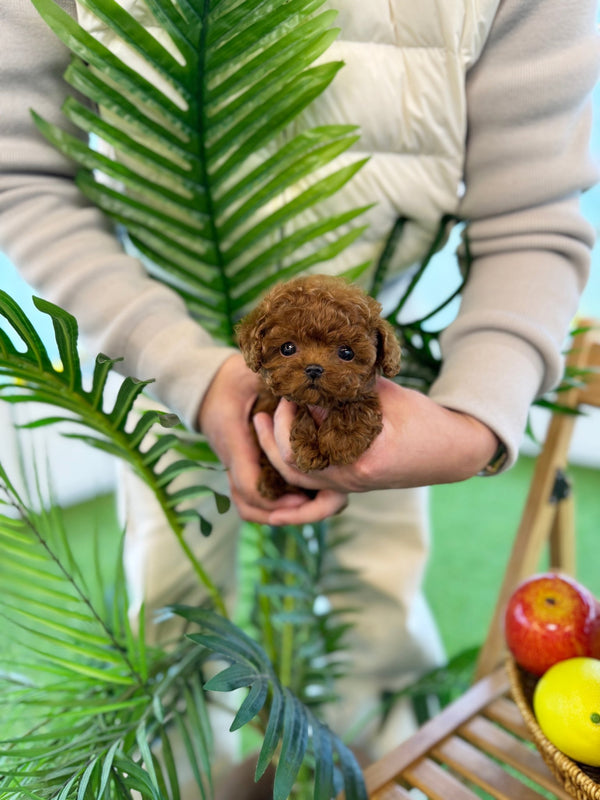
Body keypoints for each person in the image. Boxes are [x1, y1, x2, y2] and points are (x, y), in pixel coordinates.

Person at [1, 0, 598, 777]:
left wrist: (470, 423)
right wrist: (185, 367)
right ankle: (181, 777)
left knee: (377, 601)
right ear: (262, 345)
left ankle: (375, 768)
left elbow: (532, 211)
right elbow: (24, 170)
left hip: (389, 367)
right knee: (168, 602)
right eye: (286, 350)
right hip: (160, 328)